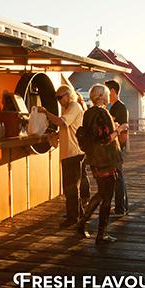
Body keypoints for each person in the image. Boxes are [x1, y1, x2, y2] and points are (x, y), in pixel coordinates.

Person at [76, 84, 128, 243]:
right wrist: (119, 130)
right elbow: (105, 139)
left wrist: (113, 128)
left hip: (94, 159)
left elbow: (95, 135)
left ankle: (82, 222)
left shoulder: (88, 113)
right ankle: (101, 234)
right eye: (106, 94)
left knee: (101, 193)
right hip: (106, 160)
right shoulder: (103, 113)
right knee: (107, 197)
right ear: (103, 96)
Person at [38, 85, 85, 227]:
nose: (58, 101)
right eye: (56, 98)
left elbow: (61, 122)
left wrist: (46, 112)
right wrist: (56, 135)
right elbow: (68, 129)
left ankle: (73, 218)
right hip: (69, 153)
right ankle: (77, 213)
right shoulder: (67, 108)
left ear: (68, 95)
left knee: (71, 187)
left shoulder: (74, 106)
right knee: (70, 187)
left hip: (74, 153)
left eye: (60, 98)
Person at [105, 80, 129, 216]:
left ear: (113, 91)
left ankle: (120, 208)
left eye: (107, 91)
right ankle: (123, 206)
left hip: (118, 147)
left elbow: (124, 126)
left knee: (118, 176)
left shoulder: (119, 107)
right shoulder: (113, 106)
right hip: (116, 146)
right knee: (119, 176)